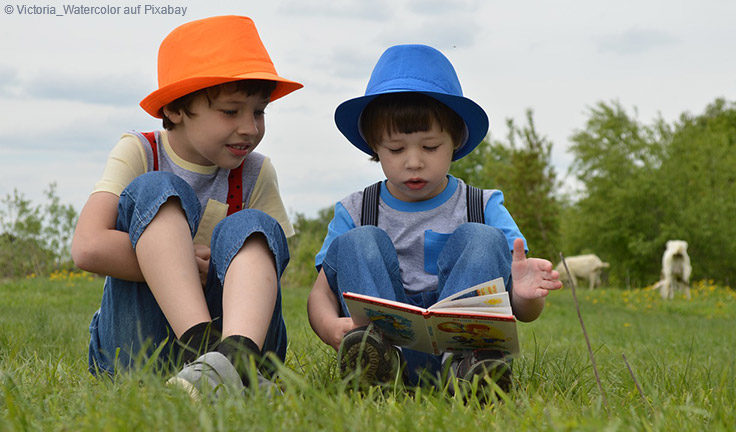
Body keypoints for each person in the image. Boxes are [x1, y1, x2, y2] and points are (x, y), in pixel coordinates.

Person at [70, 15, 302, 396]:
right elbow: (88, 247)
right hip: (140, 347)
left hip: (240, 334)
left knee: (254, 226)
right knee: (157, 188)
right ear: (176, 109)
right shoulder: (140, 152)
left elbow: (271, 264)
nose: (250, 127)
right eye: (231, 111)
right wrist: (176, 262)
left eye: (259, 112)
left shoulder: (257, 171)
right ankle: (208, 354)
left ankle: (235, 358)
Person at [306, 44, 562, 388]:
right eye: (396, 149)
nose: (413, 161)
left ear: (455, 140)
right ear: (374, 146)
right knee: (359, 241)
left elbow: (521, 310)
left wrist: (525, 298)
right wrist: (329, 327)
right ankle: (376, 367)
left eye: (430, 147)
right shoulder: (355, 210)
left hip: (462, 346)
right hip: (386, 343)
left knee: (482, 238)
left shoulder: (482, 205)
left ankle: (471, 370)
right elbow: (320, 294)